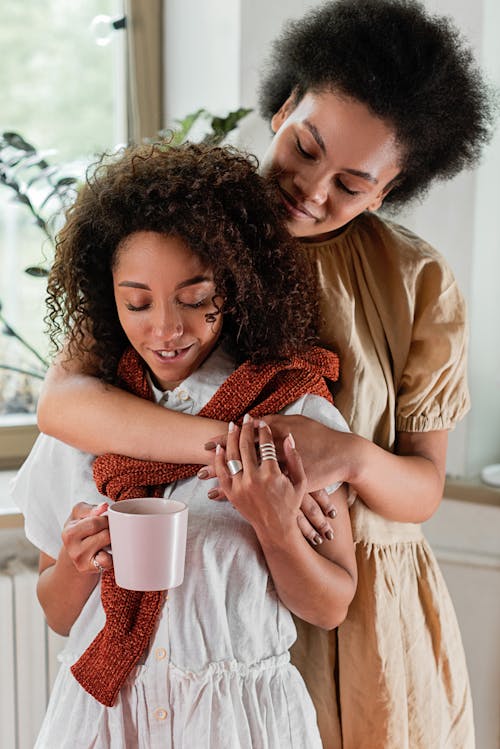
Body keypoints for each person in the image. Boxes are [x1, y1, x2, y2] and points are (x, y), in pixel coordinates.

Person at [35, 1, 496, 747]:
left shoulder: (416, 279)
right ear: (282, 107)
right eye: (305, 146)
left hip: (360, 602)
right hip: (216, 591)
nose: (312, 190)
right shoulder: (187, 231)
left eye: (353, 184)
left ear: (391, 189)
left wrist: (344, 453)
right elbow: (63, 403)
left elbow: (424, 487)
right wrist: (238, 447)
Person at [12, 142, 357, 748]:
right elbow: (59, 613)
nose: (166, 330)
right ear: (106, 296)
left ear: (238, 284)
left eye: (196, 299)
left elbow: (330, 606)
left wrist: (277, 527)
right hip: (103, 719)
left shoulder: (291, 415)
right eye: (137, 303)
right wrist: (74, 563)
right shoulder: (81, 425)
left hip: (239, 725)